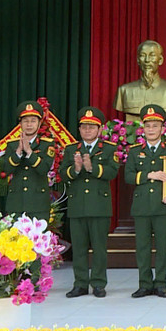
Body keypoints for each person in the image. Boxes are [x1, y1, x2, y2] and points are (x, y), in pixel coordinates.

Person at [61, 107, 119, 299]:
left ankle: (99, 284)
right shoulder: (71, 149)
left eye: (92, 127)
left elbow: (112, 172)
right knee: (78, 249)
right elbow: (62, 174)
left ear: (99, 129)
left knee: (99, 248)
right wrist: (76, 169)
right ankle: (80, 284)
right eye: (84, 126)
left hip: (99, 206)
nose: (87, 130)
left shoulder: (108, 148)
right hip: (78, 206)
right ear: (79, 129)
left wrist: (92, 168)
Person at [125, 104, 166, 298]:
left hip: (163, 205)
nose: (151, 129)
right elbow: (128, 176)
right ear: (143, 129)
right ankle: (145, 284)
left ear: (163, 129)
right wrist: (150, 175)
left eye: (155, 126)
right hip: (141, 206)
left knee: (162, 247)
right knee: (142, 247)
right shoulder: (134, 151)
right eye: (147, 126)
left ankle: (161, 284)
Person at [0, 100, 55, 222]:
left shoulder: (47, 144)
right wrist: (18, 152)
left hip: (38, 204)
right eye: (25, 121)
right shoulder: (12, 145)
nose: (29, 124)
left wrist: (29, 152)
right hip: (16, 203)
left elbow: (44, 169)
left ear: (39, 123)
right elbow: (6, 170)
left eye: (33, 121)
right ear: (20, 124)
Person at [115, 40, 166, 121]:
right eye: (143, 55)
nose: (147, 60)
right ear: (138, 60)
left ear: (160, 60)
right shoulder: (124, 91)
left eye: (152, 55)